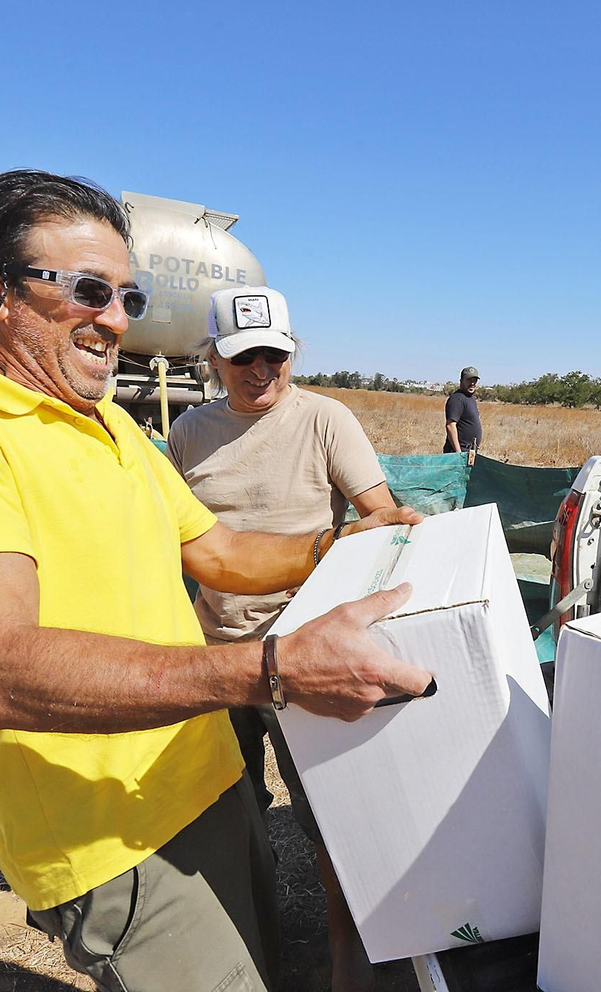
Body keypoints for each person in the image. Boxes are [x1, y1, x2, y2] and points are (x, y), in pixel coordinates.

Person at [0, 170, 433, 992]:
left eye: (127, 296)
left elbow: (218, 552)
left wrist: (341, 538)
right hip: (112, 836)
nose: (114, 319)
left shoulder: (112, 425)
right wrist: (268, 670)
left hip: (206, 773)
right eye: (85, 289)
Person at [168, 284, 394, 992]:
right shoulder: (187, 437)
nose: (260, 368)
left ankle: (345, 953)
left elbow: (379, 514)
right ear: (211, 358)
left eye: (274, 353)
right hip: (217, 656)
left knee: (329, 817)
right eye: (242, 356)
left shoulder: (325, 419)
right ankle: (251, 946)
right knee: (227, 817)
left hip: (304, 658)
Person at [444, 366, 481, 460]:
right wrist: (458, 453)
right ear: (461, 381)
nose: (472, 383)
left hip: (469, 452)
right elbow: (450, 425)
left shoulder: (470, 399)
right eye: (469, 380)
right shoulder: (457, 399)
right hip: (458, 454)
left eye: (474, 380)